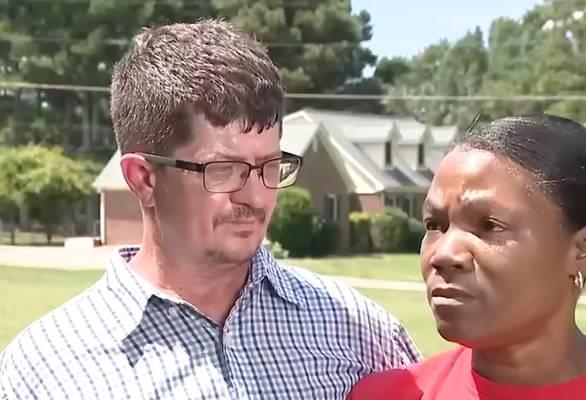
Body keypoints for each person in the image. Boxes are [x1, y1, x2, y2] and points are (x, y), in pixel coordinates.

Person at [0, 19, 420, 399]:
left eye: (270, 166)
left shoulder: (360, 334)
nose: (256, 197)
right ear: (143, 179)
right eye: (224, 170)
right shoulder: (45, 372)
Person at [347, 114, 586, 400]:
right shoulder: (386, 395)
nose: (444, 254)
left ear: (584, 249)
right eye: (434, 225)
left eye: (489, 225)